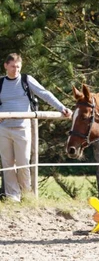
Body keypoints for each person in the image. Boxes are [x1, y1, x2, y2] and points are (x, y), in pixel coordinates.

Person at [0, 53, 72, 202]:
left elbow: (45, 94)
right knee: (7, 164)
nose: (15, 70)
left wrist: (62, 108)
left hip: (22, 128)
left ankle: (26, 195)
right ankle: (12, 197)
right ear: (6, 66)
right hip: (4, 129)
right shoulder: (0, 83)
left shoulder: (26, 80)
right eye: (12, 66)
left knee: (23, 163)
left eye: (18, 67)